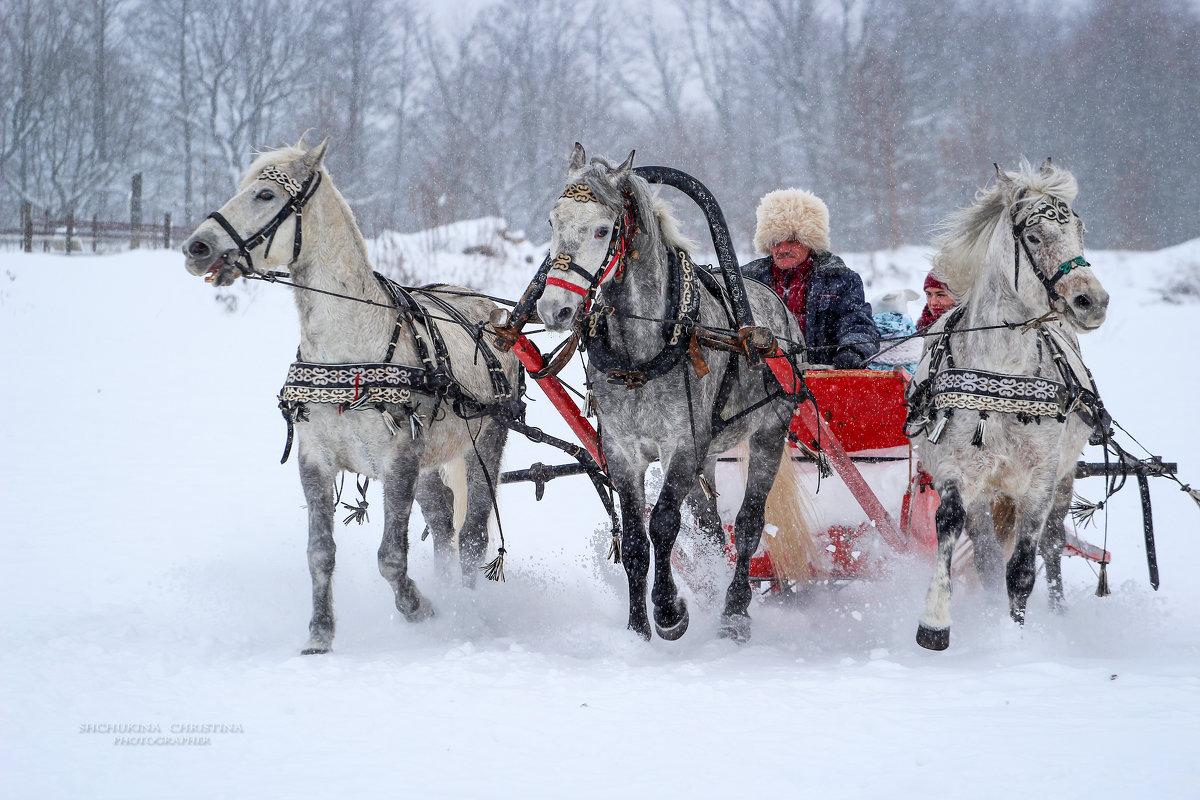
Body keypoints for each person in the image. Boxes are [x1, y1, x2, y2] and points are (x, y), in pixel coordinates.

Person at [741, 188, 878, 368]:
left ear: (811, 242)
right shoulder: (747, 280)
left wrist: (853, 350)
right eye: (776, 242)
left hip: (820, 377)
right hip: (758, 381)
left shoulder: (840, 280)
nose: (782, 250)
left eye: (791, 241)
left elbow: (857, 324)